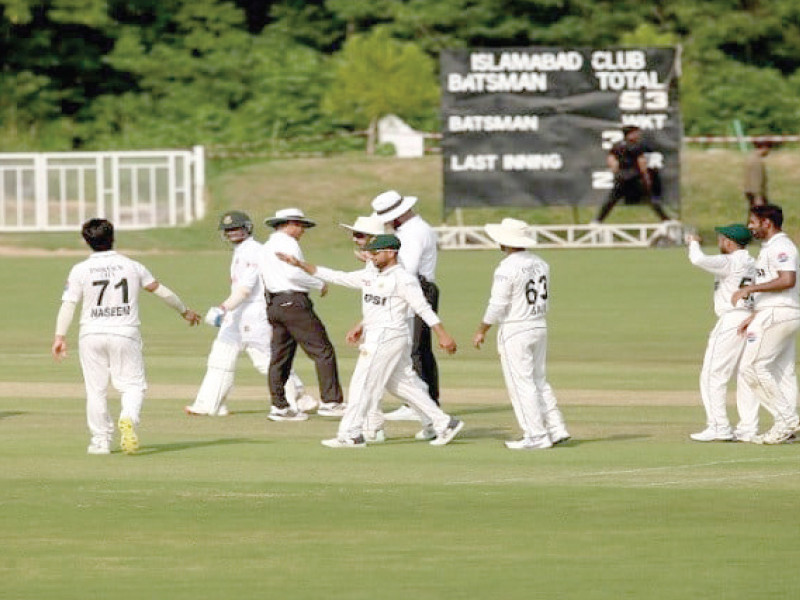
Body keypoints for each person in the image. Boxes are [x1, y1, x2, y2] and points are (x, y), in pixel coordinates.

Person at [276, 234, 465, 448]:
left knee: (362, 383)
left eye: (375, 253)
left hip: (388, 335)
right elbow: (337, 276)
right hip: (377, 334)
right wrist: (300, 264)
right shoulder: (371, 276)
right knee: (401, 385)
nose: (371, 257)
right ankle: (443, 422)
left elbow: (422, 308)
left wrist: (442, 334)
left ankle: (351, 434)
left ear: (391, 253)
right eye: (369, 253)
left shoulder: (403, 279)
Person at [51, 218, 201, 455]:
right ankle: (128, 417)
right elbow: (161, 291)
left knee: (96, 390)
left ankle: (100, 441)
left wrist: (59, 336)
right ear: (112, 237)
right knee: (133, 386)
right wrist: (185, 311)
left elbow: (68, 304)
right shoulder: (132, 266)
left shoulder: (79, 269)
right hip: (125, 332)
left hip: (91, 334)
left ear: (86, 241)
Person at [184, 211, 313, 417]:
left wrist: (223, 308)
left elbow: (245, 288)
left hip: (254, 315)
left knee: (266, 359)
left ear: (247, 228)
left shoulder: (253, 251)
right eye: (228, 230)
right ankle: (210, 404)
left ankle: (297, 396)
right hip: (237, 315)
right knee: (220, 356)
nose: (232, 233)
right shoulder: (242, 251)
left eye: (236, 228)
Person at [472, 218, 569, 450]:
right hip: (538, 324)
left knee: (521, 384)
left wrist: (482, 329)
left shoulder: (506, 268)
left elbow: (497, 304)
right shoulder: (541, 263)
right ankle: (556, 427)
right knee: (538, 380)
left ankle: (536, 435)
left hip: (516, 327)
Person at [261, 208, 345, 421]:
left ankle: (279, 407)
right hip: (294, 302)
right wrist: (318, 283)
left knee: (280, 357)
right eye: (300, 226)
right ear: (290, 224)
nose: (302, 231)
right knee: (322, 350)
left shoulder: (266, 246)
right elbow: (293, 273)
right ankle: (331, 402)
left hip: (274, 303)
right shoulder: (289, 244)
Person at [733, 204, 800, 444]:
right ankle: (787, 426)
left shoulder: (781, 246)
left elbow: (787, 280)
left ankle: (788, 420)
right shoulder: (771, 247)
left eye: (753, 222)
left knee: (753, 367)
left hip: (777, 314)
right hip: (775, 313)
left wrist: (751, 288)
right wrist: (754, 314)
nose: (750, 226)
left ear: (766, 223)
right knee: (781, 371)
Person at [371, 190, 441, 422]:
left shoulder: (412, 233)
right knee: (419, 350)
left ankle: (422, 403)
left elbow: (407, 268)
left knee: (416, 350)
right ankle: (425, 401)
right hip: (421, 287)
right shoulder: (417, 228)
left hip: (416, 288)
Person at [685, 224, 758, 442]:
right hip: (751, 318)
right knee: (746, 375)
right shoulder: (753, 262)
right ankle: (748, 428)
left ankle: (719, 426)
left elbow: (697, 259)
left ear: (729, 241)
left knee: (712, 375)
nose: (719, 241)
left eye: (721, 238)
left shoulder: (731, 261)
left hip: (732, 320)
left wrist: (693, 242)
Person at [592, 125, 671, 223]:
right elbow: (641, 162)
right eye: (636, 133)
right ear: (630, 134)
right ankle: (665, 219)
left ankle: (597, 220)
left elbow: (611, 160)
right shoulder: (636, 146)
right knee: (650, 198)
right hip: (635, 177)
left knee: (611, 200)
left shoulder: (617, 146)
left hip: (621, 178)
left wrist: (617, 172)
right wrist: (646, 177)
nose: (638, 135)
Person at [743, 140, 771, 208]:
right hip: (756, 195)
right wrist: (758, 197)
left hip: (751, 193)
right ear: (764, 148)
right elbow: (756, 180)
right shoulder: (757, 162)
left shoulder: (751, 158)